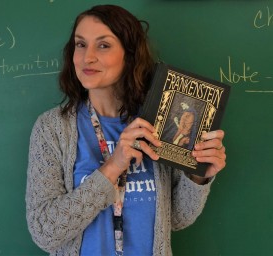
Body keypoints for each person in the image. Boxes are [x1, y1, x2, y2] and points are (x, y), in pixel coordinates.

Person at [26, 4, 226, 256]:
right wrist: (113, 166)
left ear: (129, 54)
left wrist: (198, 176)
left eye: (103, 45)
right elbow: (45, 232)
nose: (88, 57)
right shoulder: (52, 129)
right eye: (80, 44)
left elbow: (176, 218)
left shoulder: (158, 121)